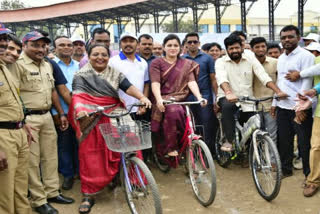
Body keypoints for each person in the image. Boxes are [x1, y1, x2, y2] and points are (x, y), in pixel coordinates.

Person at [68, 44, 151, 214]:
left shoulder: (114, 72)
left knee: (132, 142)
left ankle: (134, 181)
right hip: (92, 115)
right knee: (91, 154)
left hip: (116, 111)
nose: (100, 57)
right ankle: (88, 194)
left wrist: (142, 97)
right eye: (96, 54)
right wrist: (81, 110)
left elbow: (128, 87)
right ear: (88, 56)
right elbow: (78, 97)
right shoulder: (81, 75)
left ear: (109, 56)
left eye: (104, 54)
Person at [13, 31, 74, 214]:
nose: (41, 49)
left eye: (43, 45)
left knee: (50, 157)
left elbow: (53, 91)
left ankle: (52, 192)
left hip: (47, 116)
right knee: (32, 161)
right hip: (28, 119)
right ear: (24, 46)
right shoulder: (17, 65)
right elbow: (13, 94)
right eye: (35, 45)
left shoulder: (48, 64)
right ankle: (39, 200)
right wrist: (21, 120)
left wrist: (61, 113)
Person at [215, 34, 286, 152]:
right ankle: (229, 140)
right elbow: (221, 78)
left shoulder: (250, 57)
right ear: (227, 50)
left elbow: (262, 75)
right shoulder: (220, 61)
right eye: (231, 48)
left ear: (242, 47)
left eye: (237, 48)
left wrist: (278, 91)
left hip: (247, 100)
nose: (234, 51)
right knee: (228, 106)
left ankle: (249, 154)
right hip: (227, 97)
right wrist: (228, 92)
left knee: (252, 126)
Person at [150, 34, 206, 161]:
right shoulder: (156, 63)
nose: (172, 48)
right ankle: (170, 147)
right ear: (164, 47)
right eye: (169, 45)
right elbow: (155, 82)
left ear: (180, 48)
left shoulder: (187, 64)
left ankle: (185, 146)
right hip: (163, 98)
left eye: (175, 45)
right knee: (174, 111)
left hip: (181, 99)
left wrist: (199, 97)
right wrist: (159, 99)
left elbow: (191, 82)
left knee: (186, 117)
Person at [273, 25, 314, 180]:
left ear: (299, 38)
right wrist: (275, 104)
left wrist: (301, 107)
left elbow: (307, 81)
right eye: (283, 37)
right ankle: (286, 169)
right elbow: (279, 81)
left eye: (290, 36)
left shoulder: (306, 56)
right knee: (284, 141)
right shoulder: (282, 57)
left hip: (299, 108)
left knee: (304, 144)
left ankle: (308, 175)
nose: (287, 40)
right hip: (283, 107)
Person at [0, 26, 33, 214]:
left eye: (6, 42)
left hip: (18, 132)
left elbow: (12, 102)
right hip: (3, 136)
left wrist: (23, 123)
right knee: (4, 191)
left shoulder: (5, 68)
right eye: (1, 42)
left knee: (20, 186)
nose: (4, 46)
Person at [51, 36, 79, 190]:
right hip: (63, 113)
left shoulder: (80, 65)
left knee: (79, 144)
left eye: (69, 45)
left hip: (80, 113)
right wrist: (57, 112)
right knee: (64, 145)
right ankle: (67, 175)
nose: (66, 47)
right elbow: (52, 91)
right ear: (55, 49)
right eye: (62, 45)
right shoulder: (51, 65)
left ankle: (79, 172)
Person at [183, 32, 218, 155]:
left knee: (206, 124)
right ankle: (194, 153)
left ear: (199, 43)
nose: (192, 44)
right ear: (186, 44)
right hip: (187, 96)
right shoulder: (182, 59)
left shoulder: (207, 58)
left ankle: (207, 153)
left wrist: (216, 97)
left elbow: (213, 78)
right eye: (189, 42)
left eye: (195, 42)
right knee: (192, 125)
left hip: (205, 95)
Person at [108, 32, 149, 119]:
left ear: (137, 44)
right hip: (120, 109)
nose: (128, 44)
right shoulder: (112, 62)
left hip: (138, 108)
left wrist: (144, 103)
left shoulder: (143, 62)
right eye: (125, 41)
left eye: (131, 41)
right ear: (120, 44)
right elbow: (108, 85)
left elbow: (146, 84)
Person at [250, 37, 278, 144]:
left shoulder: (275, 63)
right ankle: (258, 159)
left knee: (272, 134)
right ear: (252, 49)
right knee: (255, 135)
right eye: (257, 47)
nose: (260, 49)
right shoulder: (248, 64)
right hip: (252, 106)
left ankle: (272, 160)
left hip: (270, 105)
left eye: (263, 46)